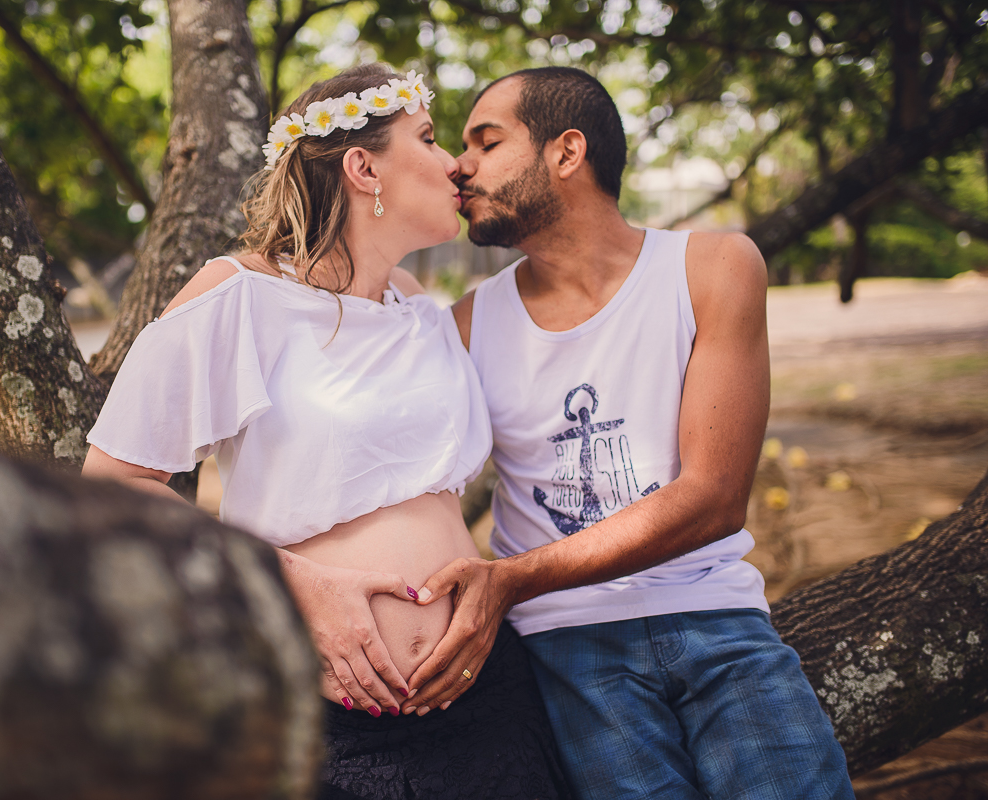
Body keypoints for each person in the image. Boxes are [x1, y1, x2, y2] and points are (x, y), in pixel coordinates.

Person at [81, 64, 569, 800]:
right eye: (431, 139)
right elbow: (113, 488)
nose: (454, 164)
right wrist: (294, 585)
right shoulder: (239, 296)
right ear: (363, 166)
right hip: (329, 707)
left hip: (486, 690)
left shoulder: (420, 306)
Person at [396, 68, 855, 799]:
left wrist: (510, 579)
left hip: (716, 620)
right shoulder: (468, 327)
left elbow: (712, 498)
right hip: (566, 649)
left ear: (567, 153)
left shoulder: (710, 269)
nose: (460, 164)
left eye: (486, 141)